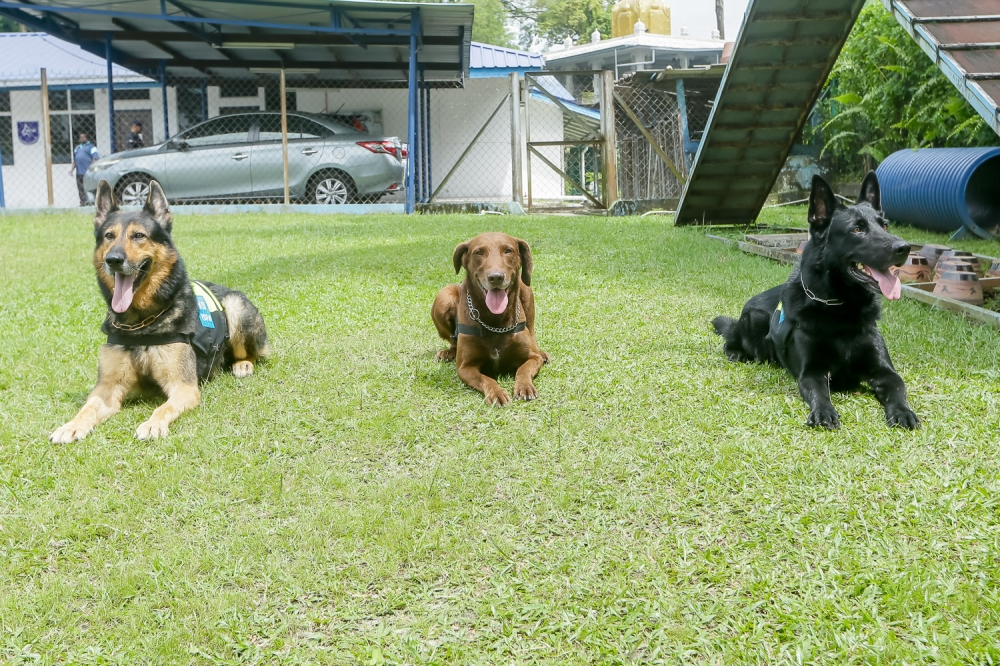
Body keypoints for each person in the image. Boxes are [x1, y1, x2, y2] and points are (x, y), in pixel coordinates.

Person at [70, 132, 99, 206]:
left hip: (87, 172)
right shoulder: (77, 148)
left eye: (84, 137)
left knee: (89, 187)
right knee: (80, 188)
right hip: (79, 172)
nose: (82, 138)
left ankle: (91, 202)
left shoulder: (92, 147)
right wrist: (72, 170)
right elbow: (75, 160)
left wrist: (91, 168)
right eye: (81, 137)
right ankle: (83, 202)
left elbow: (95, 158)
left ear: (87, 138)